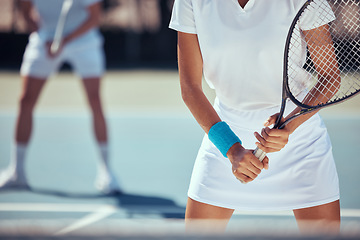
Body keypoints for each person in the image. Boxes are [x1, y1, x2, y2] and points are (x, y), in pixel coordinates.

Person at [169, 0, 340, 234]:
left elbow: (330, 76)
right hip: (224, 140)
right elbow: (190, 88)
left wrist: (290, 125)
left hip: (301, 142)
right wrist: (231, 149)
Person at [0, 0, 121, 194]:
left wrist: (64, 41)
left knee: (95, 100)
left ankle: (106, 173)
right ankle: (17, 172)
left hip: (84, 40)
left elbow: (95, 17)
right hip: (45, 39)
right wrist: (37, 31)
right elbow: (24, 5)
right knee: (25, 100)